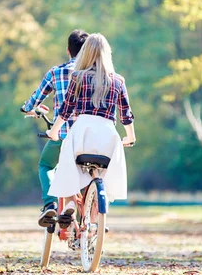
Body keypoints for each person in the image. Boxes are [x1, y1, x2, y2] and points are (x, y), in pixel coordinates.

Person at [45, 33, 136, 220]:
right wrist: (130, 137)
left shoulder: (78, 77)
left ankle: (70, 202)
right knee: (102, 174)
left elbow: (66, 109)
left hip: (82, 133)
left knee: (67, 162)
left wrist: (53, 132)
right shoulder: (118, 80)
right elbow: (126, 114)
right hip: (108, 137)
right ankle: (94, 222)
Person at [20, 29, 88, 227]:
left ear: (68, 50)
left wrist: (29, 109)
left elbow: (33, 100)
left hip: (63, 134)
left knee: (46, 165)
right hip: (89, 136)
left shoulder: (56, 72)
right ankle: (89, 214)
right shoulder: (97, 75)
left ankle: (50, 204)